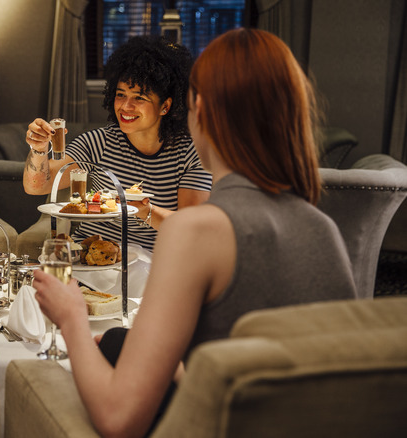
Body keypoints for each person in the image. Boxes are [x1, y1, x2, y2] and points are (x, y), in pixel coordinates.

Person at [32, 28, 357, 437]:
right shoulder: (323, 229)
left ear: (196, 108)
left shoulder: (197, 231)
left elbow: (119, 419)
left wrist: (72, 317)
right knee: (116, 341)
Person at [23, 36, 212, 251]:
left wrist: (142, 210)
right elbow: (37, 186)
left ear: (165, 106)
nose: (126, 106)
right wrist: (38, 149)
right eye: (120, 94)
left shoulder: (190, 153)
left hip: (154, 262)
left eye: (139, 98)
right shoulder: (98, 142)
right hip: (90, 256)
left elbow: (192, 228)